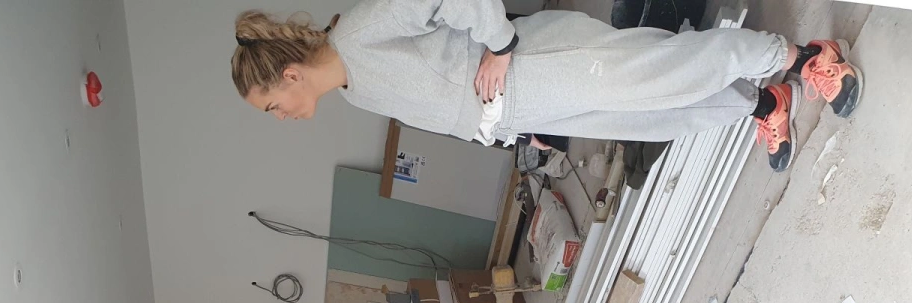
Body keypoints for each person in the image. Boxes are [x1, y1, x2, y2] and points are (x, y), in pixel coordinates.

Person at [230, 1, 864, 173]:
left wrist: (500, 46)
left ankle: (803, 58)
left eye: (271, 106)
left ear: (289, 75)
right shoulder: (353, 89)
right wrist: (506, 133)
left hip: (537, 65)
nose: (281, 116)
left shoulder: (360, 32)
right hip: (523, 108)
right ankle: (764, 101)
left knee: (663, 68)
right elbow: (447, 100)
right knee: (653, 116)